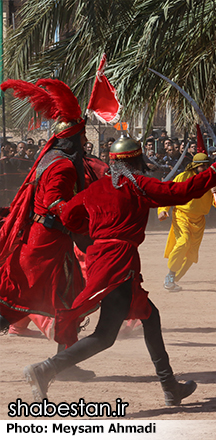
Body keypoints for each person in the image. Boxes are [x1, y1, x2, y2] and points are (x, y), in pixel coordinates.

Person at [23, 135, 216, 405]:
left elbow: (69, 216)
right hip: (118, 263)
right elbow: (178, 193)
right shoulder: (138, 185)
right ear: (136, 159)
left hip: (103, 259)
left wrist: (90, 229)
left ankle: (170, 387)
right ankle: (45, 369)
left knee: (140, 320)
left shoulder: (94, 190)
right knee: (107, 334)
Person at [0, 78, 97, 379]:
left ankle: (65, 364)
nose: (84, 144)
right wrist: (80, 221)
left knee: (67, 300)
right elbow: (56, 202)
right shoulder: (64, 165)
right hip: (46, 245)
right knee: (17, 301)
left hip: (51, 243)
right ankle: (65, 364)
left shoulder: (54, 158)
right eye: (82, 139)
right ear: (73, 138)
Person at [158, 153, 216, 291]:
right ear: (195, 166)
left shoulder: (212, 180)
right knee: (183, 242)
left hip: (199, 221)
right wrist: (163, 210)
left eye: (207, 165)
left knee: (191, 256)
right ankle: (170, 274)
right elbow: (169, 192)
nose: (205, 168)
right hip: (182, 215)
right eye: (202, 166)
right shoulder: (182, 177)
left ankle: (172, 280)